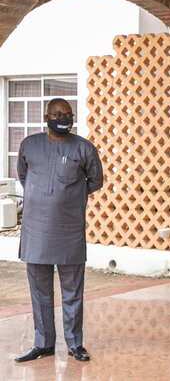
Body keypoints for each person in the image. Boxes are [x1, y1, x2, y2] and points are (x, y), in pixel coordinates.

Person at [14, 98, 103, 363]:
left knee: (72, 292)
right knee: (40, 291)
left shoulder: (84, 148)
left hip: (69, 230)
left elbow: (95, 181)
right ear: (46, 116)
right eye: (57, 114)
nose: (63, 118)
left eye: (67, 114)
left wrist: (68, 198)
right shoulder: (29, 145)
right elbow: (23, 175)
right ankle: (43, 344)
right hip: (35, 231)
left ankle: (75, 344)